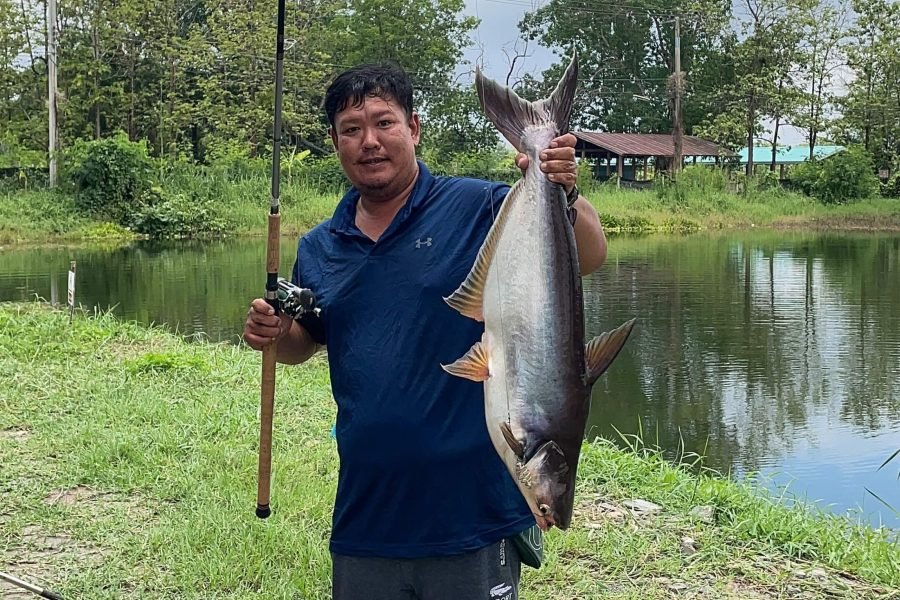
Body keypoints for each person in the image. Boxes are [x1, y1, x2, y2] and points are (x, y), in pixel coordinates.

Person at [243, 62, 608, 600]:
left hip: (471, 516)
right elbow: (308, 341)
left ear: (413, 128)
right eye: (351, 128)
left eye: (383, 123)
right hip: (367, 515)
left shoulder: (478, 205)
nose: (369, 141)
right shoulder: (321, 246)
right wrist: (277, 334)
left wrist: (562, 191)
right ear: (335, 141)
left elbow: (591, 256)